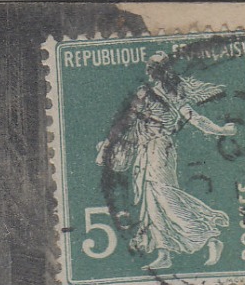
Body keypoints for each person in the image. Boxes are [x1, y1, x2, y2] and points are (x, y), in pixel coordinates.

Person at [96, 52, 236, 271]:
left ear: (154, 71)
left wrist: (221, 130)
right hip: (150, 150)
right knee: (153, 202)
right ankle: (164, 253)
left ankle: (208, 236)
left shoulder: (156, 94)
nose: (151, 72)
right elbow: (129, 122)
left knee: (165, 196)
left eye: (152, 69)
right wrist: (220, 130)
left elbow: (126, 122)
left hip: (159, 149)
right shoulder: (170, 95)